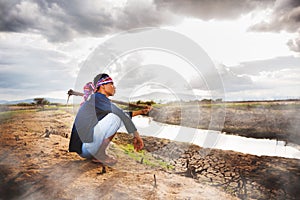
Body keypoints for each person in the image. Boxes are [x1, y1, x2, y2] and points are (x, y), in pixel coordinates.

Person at [69, 73, 151, 166]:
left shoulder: (98, 99)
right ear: (103, 86)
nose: (114, 87)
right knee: (117, 117)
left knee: (117, 116)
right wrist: (137, 136)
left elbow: (122, 114)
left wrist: (141, 112)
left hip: (85, 149)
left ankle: (98, 153)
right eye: (111, 84)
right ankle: (100, 155)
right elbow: (121, 114)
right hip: (85, 148)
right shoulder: (98, 97)